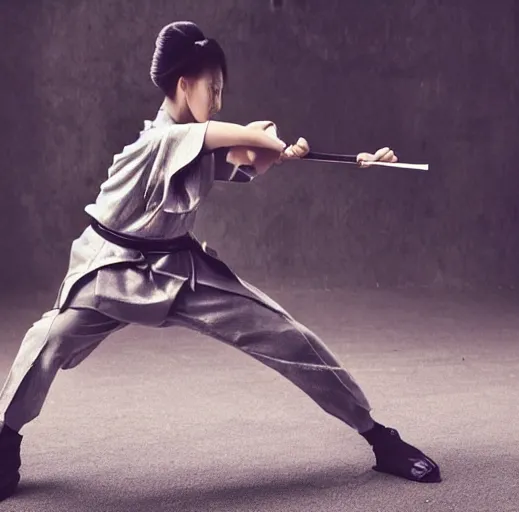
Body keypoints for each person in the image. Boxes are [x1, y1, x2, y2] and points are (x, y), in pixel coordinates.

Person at [0, 20, 441, 502]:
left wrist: (303, 151)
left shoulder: (195, 136)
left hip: (177, 270)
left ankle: (379, 436)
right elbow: (223, 135)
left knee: (284, 334)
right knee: (48, 339)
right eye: (213, 87)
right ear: (183, 85)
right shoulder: (159, 141)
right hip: (111, 268)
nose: (218, 97)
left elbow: (246, 152)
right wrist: (268, 139)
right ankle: (5, 440)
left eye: (222, 89)